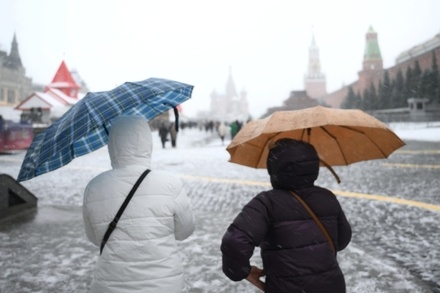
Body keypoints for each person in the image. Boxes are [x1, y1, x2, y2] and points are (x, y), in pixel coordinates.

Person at [220, 138, 352, 293]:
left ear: (273, 168)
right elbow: (342, 240)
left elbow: (235, 242)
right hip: (331, 286)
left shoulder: (266, 203)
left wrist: (242, 272)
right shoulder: (327, 197)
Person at [83, 116, 196, 293]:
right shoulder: (170, 183)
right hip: (164, 284)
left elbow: (94, 238)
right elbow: (185, 231)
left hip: (110, 285)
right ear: (146, 143)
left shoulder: (94, 186)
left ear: (113, 146)